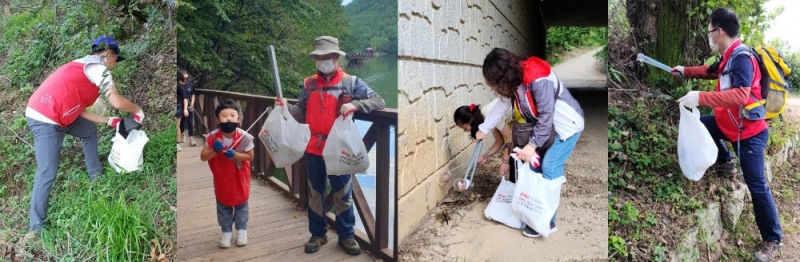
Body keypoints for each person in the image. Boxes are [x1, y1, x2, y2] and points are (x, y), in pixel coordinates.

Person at [672, 8, 781, 261]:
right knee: (702, 126)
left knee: (757, 185)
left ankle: (772, 239)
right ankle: (725, 161)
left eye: (709, 31)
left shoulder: (741, 58)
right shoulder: (728, 57)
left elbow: (742, 95)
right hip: (727, 125)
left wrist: (699, 97)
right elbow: (710, 71)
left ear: (719, 31)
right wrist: (684, 70)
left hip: (750, 134)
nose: (708, 36)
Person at [276, 36, 385, 255]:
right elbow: (300, 112)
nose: (323, 60)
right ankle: (318, 234)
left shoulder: (351, 82)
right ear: (316, 59)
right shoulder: (309, 84)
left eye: (327, 56)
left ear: (336, 57)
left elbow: (379, 101)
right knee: (315, 193)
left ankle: (346, 236)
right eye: (319, 57)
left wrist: (355, 104)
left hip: (339, 148)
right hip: (313, 148)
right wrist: (286, 108)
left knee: (343, 193)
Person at [25, 36, 145, 233]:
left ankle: (95, 176)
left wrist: (108, 120)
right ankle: (36, 227)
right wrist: (138, 110)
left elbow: (78, 109)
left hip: (61, 115)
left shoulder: (84, 68)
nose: (115, 63)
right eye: (116, 58)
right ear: (108, 55)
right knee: (47, 171)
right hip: (44, 118)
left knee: (88, 130)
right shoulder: (98, 69)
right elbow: (116, 102)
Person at [475, 48, 585, 238]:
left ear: (505, 76)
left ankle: (547, 221)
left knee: (550, 166)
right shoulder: (514, 82)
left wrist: (532, 145)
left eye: (494, 84)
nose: (494, 89)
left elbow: (546, 116)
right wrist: (483, 129)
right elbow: (501, 105)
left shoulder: (538, 79)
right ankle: (534, 211)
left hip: (566, 128)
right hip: (548, 131)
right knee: (534, 168)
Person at [199, 98, 255, 248]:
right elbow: (203, 156)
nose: (228, 118)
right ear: (218, 119)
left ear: (238, 118)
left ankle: (242, 230)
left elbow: (250, 156)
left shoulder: (244, 137)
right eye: (224, 116)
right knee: (223, 204)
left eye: (232, 115)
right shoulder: (212, 137)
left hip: (239, 177)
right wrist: (213, 150)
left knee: (241, 204)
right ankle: (226, 232)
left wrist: (236, 155)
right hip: (222, 177)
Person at [453, 104, 516, 181]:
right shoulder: (485, 120)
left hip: (525, 118)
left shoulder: (490, 115)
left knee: (515, 165)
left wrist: (505, 162)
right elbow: (499, 141)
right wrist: (485, 156)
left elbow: (510, 137)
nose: (467, 131)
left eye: (465, 128)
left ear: (470, 121)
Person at [179, 69, 197, 147]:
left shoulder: (190, 85)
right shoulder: (178, 85)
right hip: (179, 106)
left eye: (186, 74)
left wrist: (192, 105)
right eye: (184, 74)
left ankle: (191, 139)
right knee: (181, 123)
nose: (185, 76)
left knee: (190, 122)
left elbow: (193, 95)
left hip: (189, 105)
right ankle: (182, 134)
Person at [176, 69, 189, 151]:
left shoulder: (179, 86)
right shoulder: (178, 85)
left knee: (177, 126)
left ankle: (177, 143)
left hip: (178, 107)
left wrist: (185, 109)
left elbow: (185, 98)